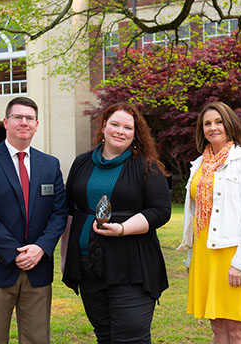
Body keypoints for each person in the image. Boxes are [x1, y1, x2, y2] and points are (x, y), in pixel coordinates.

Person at [61, 102, 171, 344]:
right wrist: (65, 259)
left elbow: (160, 211)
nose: (120, 131)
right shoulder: (81, 163)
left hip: (131, 267)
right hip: (89, 266)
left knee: (130, 337)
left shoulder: (145, 166)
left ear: (135, 133)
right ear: (103, 127)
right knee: (105, 335)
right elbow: (69, 210)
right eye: (115, 124)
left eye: (128, 127)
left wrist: (122, 229)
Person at [0, 97, 68, 344]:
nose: (24, 122)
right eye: (17, 117)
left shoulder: (50, 165)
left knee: (37, 339)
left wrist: (41, 248)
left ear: (36, 124)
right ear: (5, 122)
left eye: (29, 118)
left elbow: (59, 213)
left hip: (38, 268)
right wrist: (16, 253)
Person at [177, 101, 241, 344]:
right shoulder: (198, 164)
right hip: (204, 253)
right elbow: (193, 216)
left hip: (232, 253)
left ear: (229, 124)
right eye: (207, 124)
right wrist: (191, 257)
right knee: (217, 329)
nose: (213, 127)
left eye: (218, 121)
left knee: (237, 330)